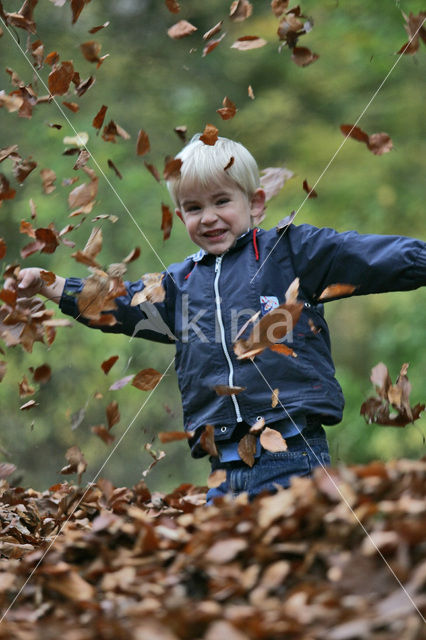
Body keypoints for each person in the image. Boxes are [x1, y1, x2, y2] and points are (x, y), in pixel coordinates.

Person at [9, 135, 426, 503]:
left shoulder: (291, 253)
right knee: (222, 571)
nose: (208, 217)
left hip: (292, 451)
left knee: (290, 559)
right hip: (223, 465)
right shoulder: (180, 283)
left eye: (221, 201)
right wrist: (53, 284)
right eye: (193, 207)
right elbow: (122, 303)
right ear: (180, 215)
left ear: (255, 203)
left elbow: (368, 257)